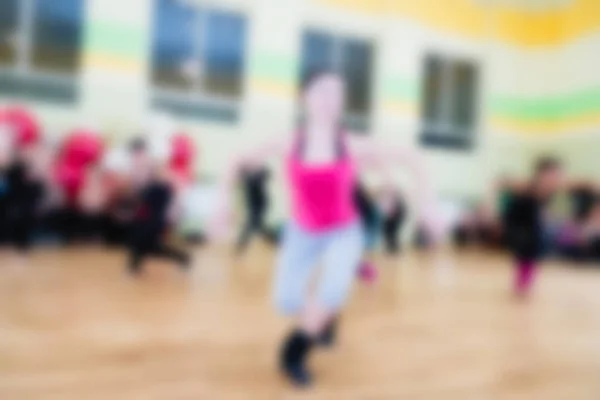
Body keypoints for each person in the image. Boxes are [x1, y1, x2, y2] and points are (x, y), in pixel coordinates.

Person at [212, 70, 441, 387]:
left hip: (343, 231)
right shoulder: (289, 141)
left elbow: (413, 157)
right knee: (287, 301)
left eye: (337, 92)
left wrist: (427, 204)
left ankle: (293, 352)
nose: (330, 99)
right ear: (305, 97)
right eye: (322, 91)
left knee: (333, 290)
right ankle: (324, 320)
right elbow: (237, 158)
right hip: (301, 231)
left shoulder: (351, 145)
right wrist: (222, 201)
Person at [503, 157, 564, 297]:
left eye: (557, 175)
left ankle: (525, 284)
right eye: (553, 174)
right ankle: (522, 284)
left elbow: (543, 211)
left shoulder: (549, 191)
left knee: (536, 247)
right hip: (519, 225)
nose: (556, 178)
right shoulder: (528, 187)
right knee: (529, 248)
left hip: (531, 227)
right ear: (542, 174)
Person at [128, 158, 191, 276]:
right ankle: (134, 268)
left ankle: (183, 258)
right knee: (142, 246)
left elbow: (146, 201)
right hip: (146, 221)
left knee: (152, 248)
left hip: (152, 222)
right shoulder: (156, 186)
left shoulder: (162, 188)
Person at [235, 162, 274, 254]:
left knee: (252, 225)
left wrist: (258, 168)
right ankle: (273, 239)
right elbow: (239, 175)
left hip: (261, 203)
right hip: (252, 204)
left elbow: (267, 173)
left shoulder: (260, 173)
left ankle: (240, 246)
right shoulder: (245, 174)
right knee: (256, 225)